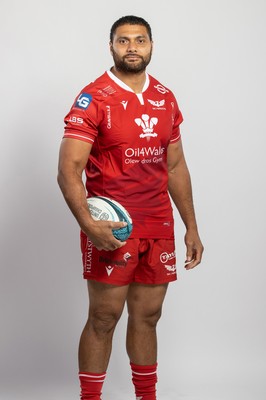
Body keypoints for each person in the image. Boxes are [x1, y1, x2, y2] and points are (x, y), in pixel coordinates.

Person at [57, 15, 204, 400]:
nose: (133, 47)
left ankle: (147, 396)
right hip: (113, 229)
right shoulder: (94, 96)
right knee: (104, 318)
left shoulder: (165, 97)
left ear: (152, 46)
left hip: (158, 226)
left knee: (148, 317)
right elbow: (68, 170)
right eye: (124, 41)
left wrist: (191, 225)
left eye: (140, 40)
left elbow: (174, 166)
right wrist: (89, 225)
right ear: (111, 47)